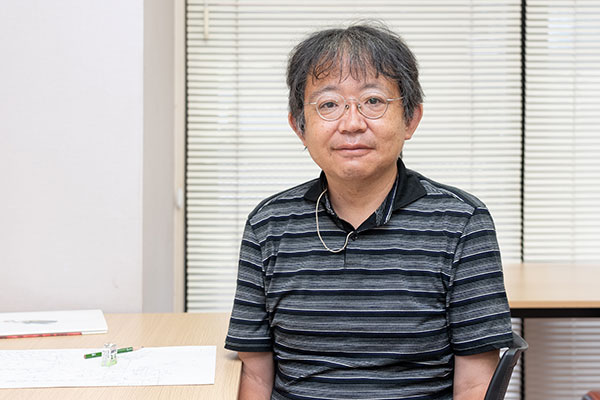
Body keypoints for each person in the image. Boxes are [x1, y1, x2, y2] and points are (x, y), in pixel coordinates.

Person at [225, 22, 513, 400]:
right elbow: (256, 377)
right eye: (329, 104)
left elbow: (475, 384)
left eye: (373, 101)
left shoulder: (461, 223)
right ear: (299, 126)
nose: (352, 123)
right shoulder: (268, 225)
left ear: (410, 119)